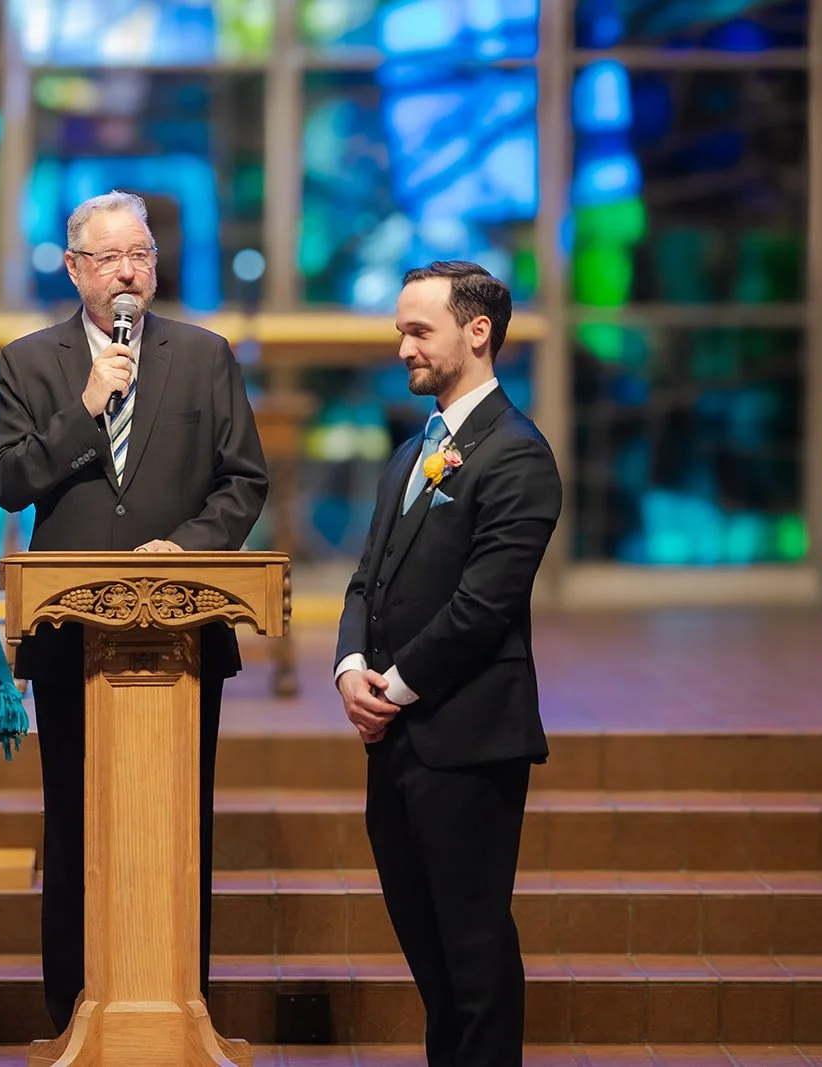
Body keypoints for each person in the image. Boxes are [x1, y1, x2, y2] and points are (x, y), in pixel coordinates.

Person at [0, 190, 269, 1031]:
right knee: (73, 822)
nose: (127, 271)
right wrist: (86, 408)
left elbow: (244, 480)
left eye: (139, 254)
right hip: (71, 632)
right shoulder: (31, 362)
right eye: (108, 257)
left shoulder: (205, 356)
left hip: (182, 626)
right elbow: (7, 481)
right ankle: (72, 1006)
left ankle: (182, 1004)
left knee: (182, 826)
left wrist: (189, 548)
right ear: (74, 269)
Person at [334, 262, 562, 1067]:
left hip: (466, 741)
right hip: (395, 741)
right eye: (400, 329)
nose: (403, 346)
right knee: (430, 962)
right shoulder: (412, 453)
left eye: (417, 329)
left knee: (473, 961)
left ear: (477, 331)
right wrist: (350, 667)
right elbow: (369, 576)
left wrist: (390, 690)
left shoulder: (519, 456)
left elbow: (483, 605)